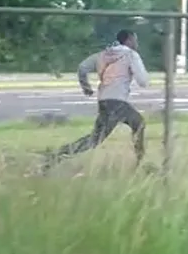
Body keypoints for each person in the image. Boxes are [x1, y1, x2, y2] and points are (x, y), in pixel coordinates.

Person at [38, 29, 150, 173]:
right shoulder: (131, 55)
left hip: (104, 100)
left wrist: (86, 87)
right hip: (117, 102)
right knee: (134, 126)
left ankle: (56, 156)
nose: (136, 43)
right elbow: (143, 81)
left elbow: (82, 68)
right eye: (135, 40)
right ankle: (139, 163)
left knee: (99, 138)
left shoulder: (103, 54)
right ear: (128, 40)